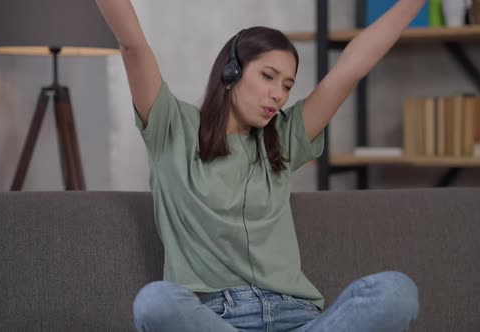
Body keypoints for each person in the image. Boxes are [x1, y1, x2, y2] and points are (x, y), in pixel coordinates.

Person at [96, 1, 424, 331]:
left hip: (297, 319)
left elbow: (352, 66)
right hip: (218, 319)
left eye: (287, 85)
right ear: (231, 71)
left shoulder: (284, 138)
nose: (278, 95)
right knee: (156, 301)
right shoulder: (172, 127)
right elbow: (132, 44)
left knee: (396, 292)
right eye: (268, 76)